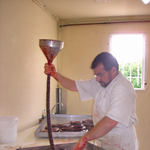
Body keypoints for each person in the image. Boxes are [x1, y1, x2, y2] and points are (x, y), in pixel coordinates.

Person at [44, 52, 139, 150]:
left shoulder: (122, 87)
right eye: (96, 75)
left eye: (100, 75)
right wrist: (55, 74)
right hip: (105, 141)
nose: (97, 79)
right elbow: (74, 85)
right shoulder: (100, 83)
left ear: (113, 70)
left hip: (122, 143)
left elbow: (111, 121)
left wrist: (85, 138)